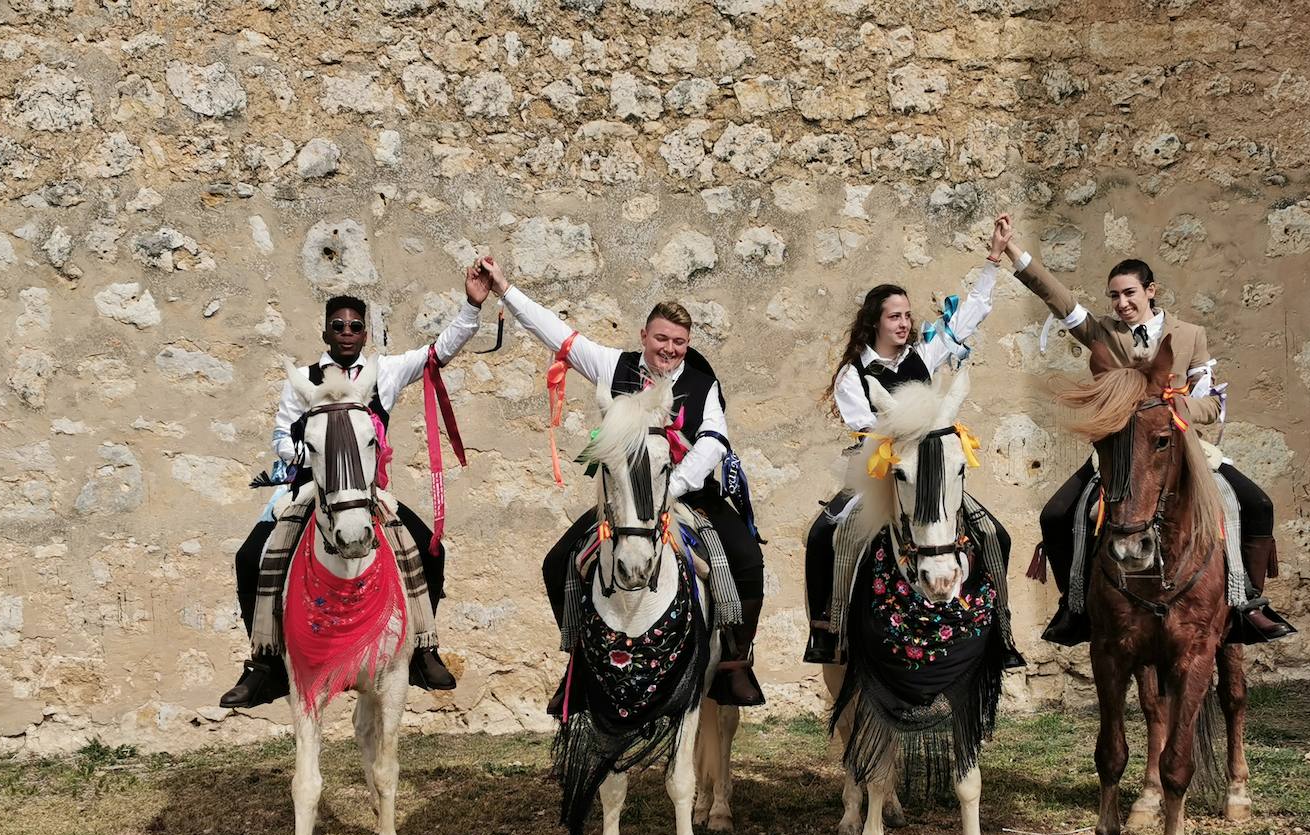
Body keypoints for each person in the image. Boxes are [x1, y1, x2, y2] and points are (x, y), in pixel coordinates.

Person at [471, 255, 766, 707]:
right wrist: (504, 289)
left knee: (747, 562)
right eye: (662, 339)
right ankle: (579, 661)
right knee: (557, 563)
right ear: (644, 336)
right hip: (626, 501)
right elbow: (556, 334)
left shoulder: (704, 384)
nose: (669, 349)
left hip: (689, 496)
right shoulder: (615, 365)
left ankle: (732, 663)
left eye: (680, 343)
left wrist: (676, 485)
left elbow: (713, 441)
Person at [997, 215, 1293, 645]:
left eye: (1129, 293)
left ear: (1150, 291)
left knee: (1257, 504)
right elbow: (1058, 298)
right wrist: (1012, 250)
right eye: (1114, 296)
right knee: (1056, 515)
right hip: (1119, 453)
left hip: (1181, 447)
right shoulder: (1103, 332)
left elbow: (1212, 404)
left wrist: (1168, 407)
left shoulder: (1191, 335)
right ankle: (1074, 604)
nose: (1121, 303)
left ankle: (1246, 600)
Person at [220, 272, 489, 708]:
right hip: (313, 488)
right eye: (338, 326)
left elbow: (439, 351)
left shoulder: (385, 372)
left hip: (366, 493)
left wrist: (472, 306)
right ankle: (263, 663)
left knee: (428, 547)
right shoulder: (304, 381)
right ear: (325, 331)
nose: (347, 333)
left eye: (355, 326)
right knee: (251, 555)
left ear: (365, 331)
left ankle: (423, 646)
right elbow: (280, 438)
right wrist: (316, 458)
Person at [805, 215, 1022, 667]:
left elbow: (971, 314)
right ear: (875, 322)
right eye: (894, 316)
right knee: (827, 533)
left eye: (907, 315)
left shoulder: (924, 354)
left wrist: (994, 258)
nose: (904, 323)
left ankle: (1002, 628)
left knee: (991, 531)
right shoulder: (853, 375)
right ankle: (830, 629)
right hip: (876, 472)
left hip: (933, 470)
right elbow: (869, 430)